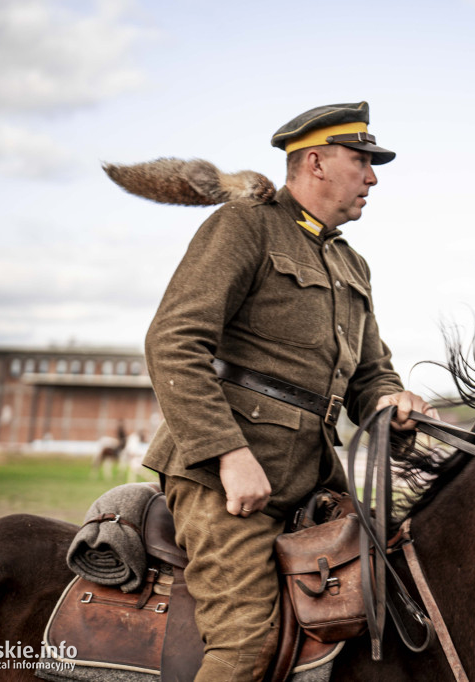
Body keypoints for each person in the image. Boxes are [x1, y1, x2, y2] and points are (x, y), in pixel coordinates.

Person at [141, 101, 436, 682]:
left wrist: (390, 402)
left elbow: (370, 375)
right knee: (246, 645)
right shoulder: (245, 225)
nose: (374, 177)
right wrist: (229, 455)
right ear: (316, 162)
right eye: (363, 161)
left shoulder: (353, 265)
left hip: (313, 477)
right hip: (223, 481)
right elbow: (172, 342)